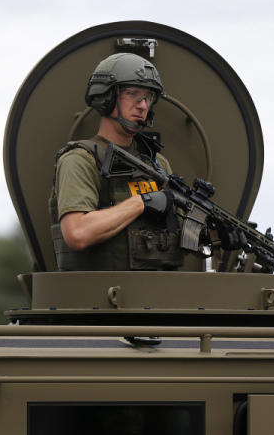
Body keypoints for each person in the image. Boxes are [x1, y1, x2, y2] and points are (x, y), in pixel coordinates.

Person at [48, 52, 185, 271]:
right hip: (99, 298)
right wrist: (142, 202)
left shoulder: (157, 164)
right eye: (133, 94)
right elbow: (77, 233)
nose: (142, 105)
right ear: (106, 97)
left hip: (159, 296)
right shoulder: (81, 160)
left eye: (148, 97)